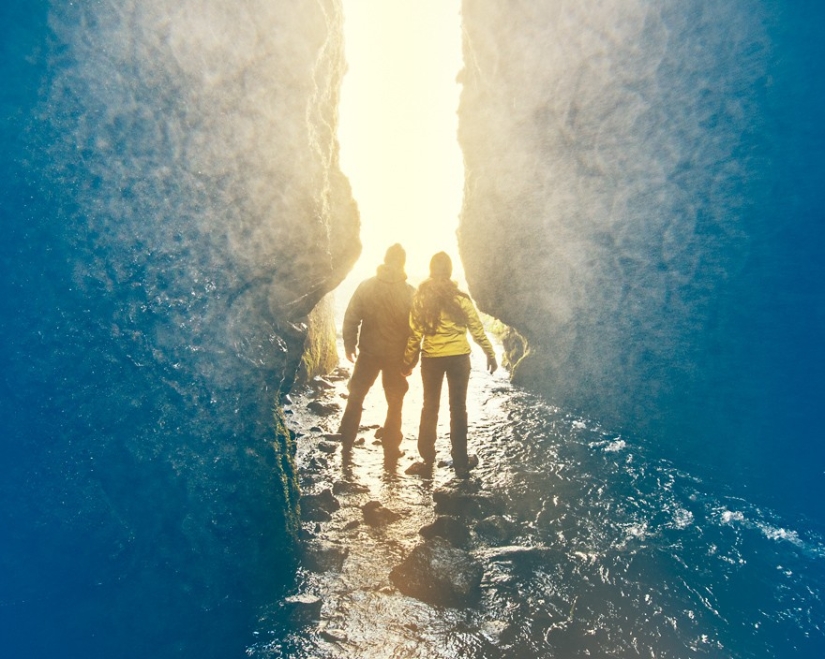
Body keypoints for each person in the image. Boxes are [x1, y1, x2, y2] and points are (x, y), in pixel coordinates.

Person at [403, 252, 497, 477]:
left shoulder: (421, 298)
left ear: (431, 269)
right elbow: (476, 329)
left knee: (430, 407)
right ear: (450, 270)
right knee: (458, 409)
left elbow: (415, 334)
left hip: (432, 359)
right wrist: (490, 353)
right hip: (459, 360)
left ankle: (427, 459)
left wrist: (407, 361)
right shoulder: (461, 298)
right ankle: (461, 464)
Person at [336, 244, 414, 459]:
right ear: (403, 263)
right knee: (395, 400)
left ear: (385, 259)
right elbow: (415, 331)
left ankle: (346, 442)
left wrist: (349, 345)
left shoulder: (366, 286)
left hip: (368, 353)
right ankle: (391, 447)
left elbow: (351, 317)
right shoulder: (410, 293)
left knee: (356, 396)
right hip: (396, 357)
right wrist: (410, 361)